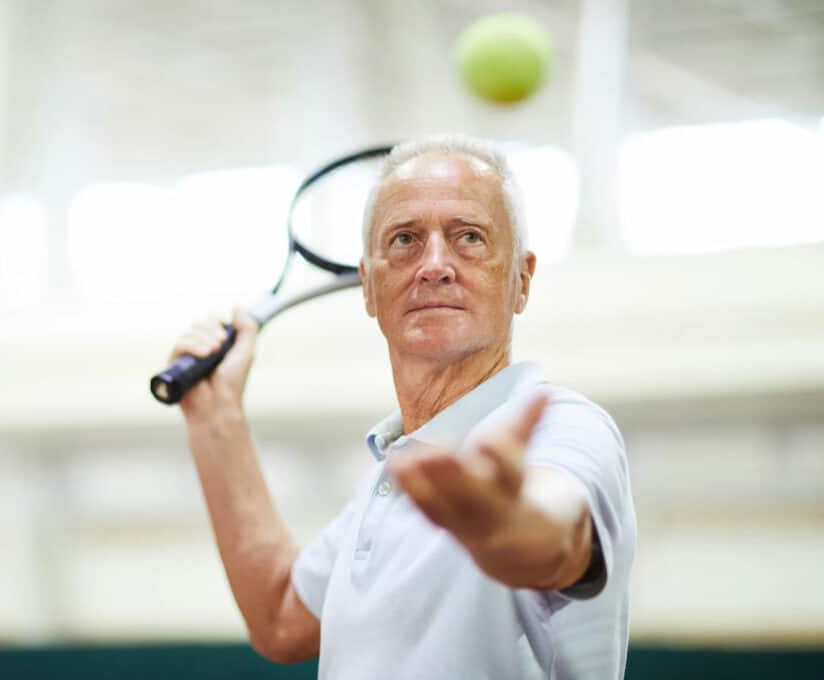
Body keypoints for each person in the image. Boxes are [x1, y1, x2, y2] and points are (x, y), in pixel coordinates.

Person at [168, 134, 636, 679]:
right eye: (405, 239)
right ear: (368, 286)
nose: (434, 264)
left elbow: (558, 534)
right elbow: (279, 617)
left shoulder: (564, 425)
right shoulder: (395, 478)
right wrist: (215, 419)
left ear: (521, 281)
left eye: (469, 237)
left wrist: (505, 523)